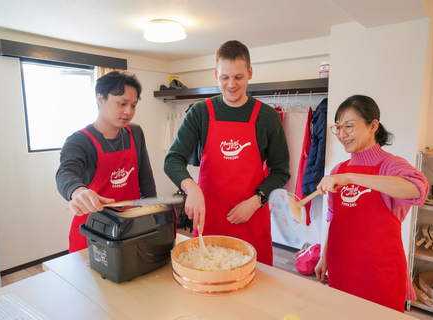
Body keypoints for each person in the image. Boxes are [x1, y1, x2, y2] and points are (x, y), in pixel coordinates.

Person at [164, 40, 290, 265]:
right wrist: (190, 187)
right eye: (225, 77)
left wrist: (256, 201)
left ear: (249, 73)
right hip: (210, 218)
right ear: (216, 74)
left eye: (238, 77)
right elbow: (173, 158)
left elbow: (281, 170)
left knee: (256, 289)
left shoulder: (267, 117)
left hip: (251, 216)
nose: (231, 84)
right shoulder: (200, 112)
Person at [314, 95, 428, 312]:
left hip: (378, 274)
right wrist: (324, 257)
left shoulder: (390, 165)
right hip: (342, 267)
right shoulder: (338, 170)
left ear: (373, 125)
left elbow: (417, 191)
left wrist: (353, 178)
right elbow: (333, 218)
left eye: (349, 126)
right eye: (338, 128)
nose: (342, 135)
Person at [56, 71, 156, 253]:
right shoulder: (79, 140)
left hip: (129, 227)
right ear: (100, 99)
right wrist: (78, 191)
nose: (129, 111)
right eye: (122, 103)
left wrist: (154, 215)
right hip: (92, 230)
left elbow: (146, 179)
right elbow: (66, 173)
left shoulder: (135, 133)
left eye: (133, 105)